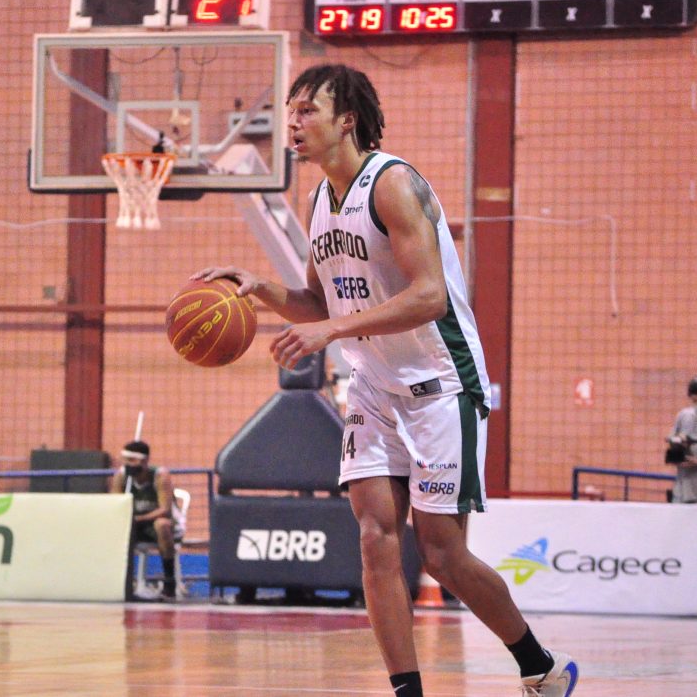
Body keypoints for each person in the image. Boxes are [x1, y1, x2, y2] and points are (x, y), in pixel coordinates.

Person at [195, 64, 577, 697]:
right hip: (374, 389)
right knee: (375, 540)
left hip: (440, 385)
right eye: (290, 112)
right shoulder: (319, 202)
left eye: (307, 111)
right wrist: (261, 288)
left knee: (442, 555)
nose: (293, 123)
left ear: (347, 120)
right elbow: (320, 305)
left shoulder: (394, 185)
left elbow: (429, 297)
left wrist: (331, 331)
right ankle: (407, 692)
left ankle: (540, 665)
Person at [109, 440, 180, 600]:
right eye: (125, 460)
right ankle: (121, 583)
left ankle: (170, 583)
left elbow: (165, 510)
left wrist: (138, 518)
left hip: (163, 525)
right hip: (135, 524)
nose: (126, 464)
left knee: (162, 525)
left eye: (130, 460)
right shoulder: (122, 476)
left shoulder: (160, 476)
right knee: (113, 529)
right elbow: (114, 504)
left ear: (144, 461)